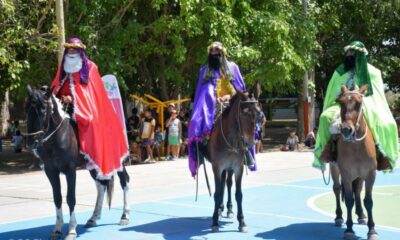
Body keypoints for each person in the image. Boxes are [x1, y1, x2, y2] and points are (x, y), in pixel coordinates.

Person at [313, 41, 398, 171]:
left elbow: (376, 95)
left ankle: (381, 153)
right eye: (348, 53)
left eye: (353, 53)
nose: (350, 55)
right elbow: (333, 93)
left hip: (366, 103)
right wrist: (342, 96)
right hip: (342, 104)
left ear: (361, 55)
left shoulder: (374, 72)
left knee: (386, 123)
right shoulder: (339, 72)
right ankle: (328, 149)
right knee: (324, 117)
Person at [51, 38, 128, 179]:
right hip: (64, 105)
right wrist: (57, 96)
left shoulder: (90, 67)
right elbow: (57, 85)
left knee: (90, 122)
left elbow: (92, 93)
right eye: (69, 48)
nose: (71, 51)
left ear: (80, 50)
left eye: (74, 49)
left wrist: (73, 99)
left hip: (86, 108)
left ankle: (91, 156)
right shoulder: (63, 67)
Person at [188, 41, 255, 177]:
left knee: (249, 119)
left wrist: (228, 96)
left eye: (217, 51)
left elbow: (240, 89)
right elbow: (202, 92)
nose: (214, 54)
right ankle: (200, 151)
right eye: (212, 51)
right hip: (211, 105)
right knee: (195, 121)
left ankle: (246, 151)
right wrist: (214, 98)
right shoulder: (204, 70)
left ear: (222, 53)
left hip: (232, 103)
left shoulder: (233, 67)